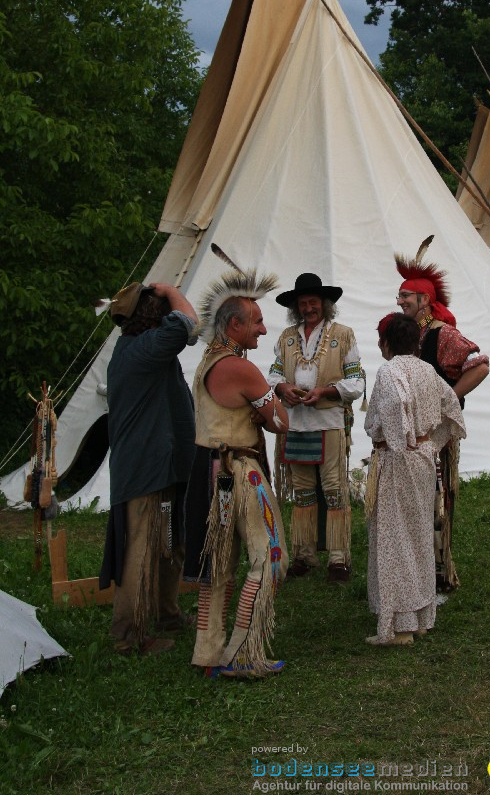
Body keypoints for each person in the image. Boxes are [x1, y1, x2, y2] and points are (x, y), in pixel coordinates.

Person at [183, 266, 289, 679]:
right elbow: (278, 422)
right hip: (240, 473)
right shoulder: (241, 369)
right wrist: (278, 399)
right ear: (234, 324)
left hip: (210, 470)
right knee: (271, 557)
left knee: (219, 566)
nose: (262, 330)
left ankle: (208, 655)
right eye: (257, 322)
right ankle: (242, 653)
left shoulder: (206, 363)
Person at [99, 281, 198, 656]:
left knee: (170, 542)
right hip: (146, 467)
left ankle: (166, 614)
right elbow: (189, 322)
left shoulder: (145, 349)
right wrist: (170, 289)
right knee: (140, 549)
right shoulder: (143, 349)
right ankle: (128, 636)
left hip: (165, 464)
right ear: (152, 316)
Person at [364, 314, 466, 645]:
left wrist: (399, 441)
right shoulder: (427, 370)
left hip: (400, 459)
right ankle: (421, 618)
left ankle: (402, 626)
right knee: (418, 533)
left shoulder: (390, 371)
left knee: (397, 537)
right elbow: (451, 406)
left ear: (387, 343)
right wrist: (430, 444)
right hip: (421, 459)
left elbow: (395, 402)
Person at [395, 247, 489, 590]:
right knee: (415, 498)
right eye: (399, 295)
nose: (400, 300)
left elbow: (479, 366)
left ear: (424, 299)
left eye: (406, 295)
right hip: (410, 432)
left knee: (436, 497)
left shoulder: (441, 333)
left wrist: (449, 401)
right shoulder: (409, 332)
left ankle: (438, 570)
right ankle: (419, 567)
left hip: (434, 434)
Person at [268, 272, 365, 582]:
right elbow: (272, 375)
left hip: (329, 423)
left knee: (335, 489)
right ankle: (303, 554)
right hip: (296, 426)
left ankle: (339, 558)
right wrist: (282, 388)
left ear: (324, 304)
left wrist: (325, 392)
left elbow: (356, 382)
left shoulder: (343, 335)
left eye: (313, 302)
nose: (308, 308)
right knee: (303, 491)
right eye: (303, 304)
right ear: (296, 308)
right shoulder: (286, 338)